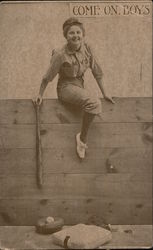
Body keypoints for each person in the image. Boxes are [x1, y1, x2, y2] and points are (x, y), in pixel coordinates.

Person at [36, 17, 115, 159]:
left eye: (78, 32)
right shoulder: (60, 54)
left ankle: (83, 136)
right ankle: (82, 140)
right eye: (71, 33)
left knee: (95, 103)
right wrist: (40, 94)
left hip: (79, 85)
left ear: (83, 34)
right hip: (65, 87)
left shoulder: (88, 48)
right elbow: (47, 77)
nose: (76, 36)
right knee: (94, 103)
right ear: (66, 36)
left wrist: (106, 93)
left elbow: (98, 72)